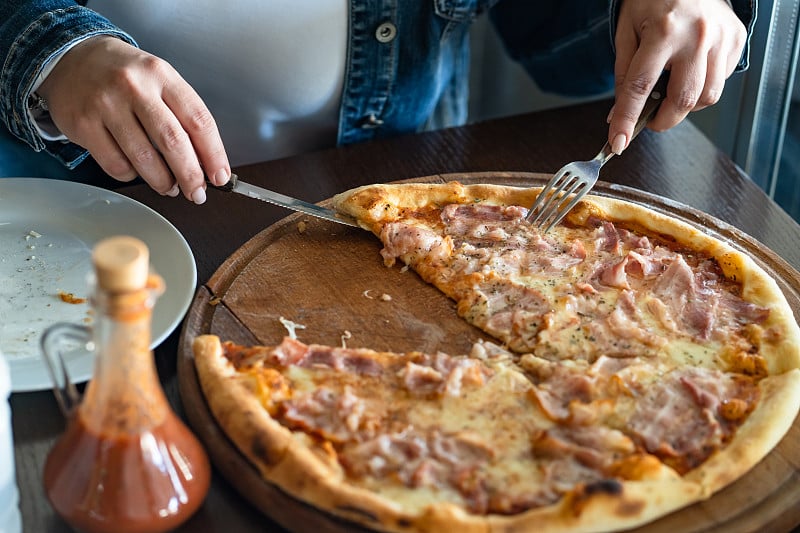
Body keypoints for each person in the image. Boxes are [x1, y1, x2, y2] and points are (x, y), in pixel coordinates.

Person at [0, 1, 753, 205]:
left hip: (400, 216)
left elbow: (554, 37)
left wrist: (667, 7)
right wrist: (54, 53)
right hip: (63, 207)